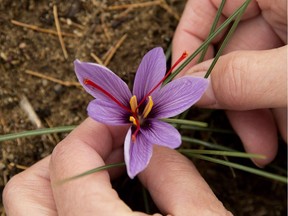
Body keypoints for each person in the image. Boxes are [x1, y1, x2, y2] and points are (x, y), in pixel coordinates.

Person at [3, 0, 286, 215]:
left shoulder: (148, 118)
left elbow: (173, 126)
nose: (137, 113)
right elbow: (104, 111)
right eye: (137, 113)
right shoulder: (128, 121)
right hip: (137, 132)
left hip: (151, 126)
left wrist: (224, 83)